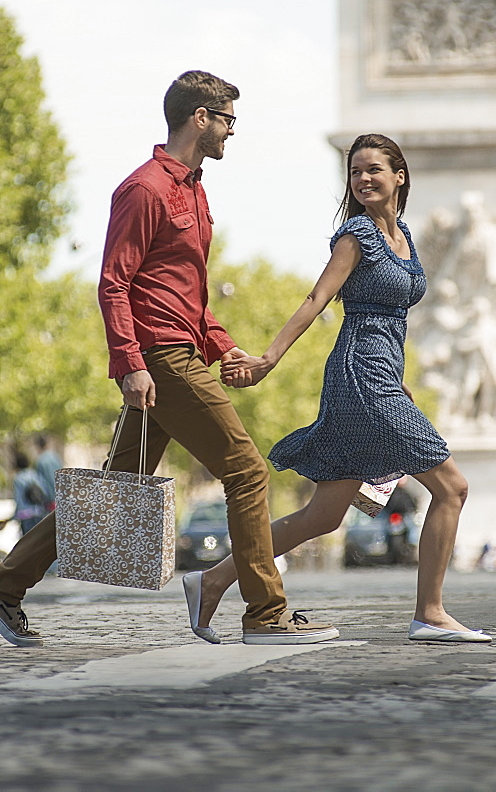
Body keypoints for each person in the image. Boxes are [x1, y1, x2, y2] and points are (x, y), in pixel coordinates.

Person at [0, 71, 338, 650]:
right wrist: (130, 363)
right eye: (228, 120)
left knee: (112, 491)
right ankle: (265, 612)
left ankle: (5, 586)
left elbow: (189, 295)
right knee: (247, 471)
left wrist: (224, 347)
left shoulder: (196, 192)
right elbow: (114, 283)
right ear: (199, 117)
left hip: (182, 350)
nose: (233, 132)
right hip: (159, 357)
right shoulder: (145, 189)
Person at [205, 132, 491, 644]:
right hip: (362, 375)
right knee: (452, 487)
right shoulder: (356, 234)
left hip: (383, 373)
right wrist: (267, 359)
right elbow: (317, 298)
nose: (362, 179)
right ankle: (430, 613)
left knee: (323, 515)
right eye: (355, 171)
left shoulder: (402, 233)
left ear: (399, 176)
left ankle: (213, 579)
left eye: (373, 170)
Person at [12, 451, 51, 537]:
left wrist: (14, 516)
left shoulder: (18, 478)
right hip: (38, 512)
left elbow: (18, 499)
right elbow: (45, 491)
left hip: (25, 515)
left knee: (27, 540)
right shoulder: (35, 475)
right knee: (38, 540)